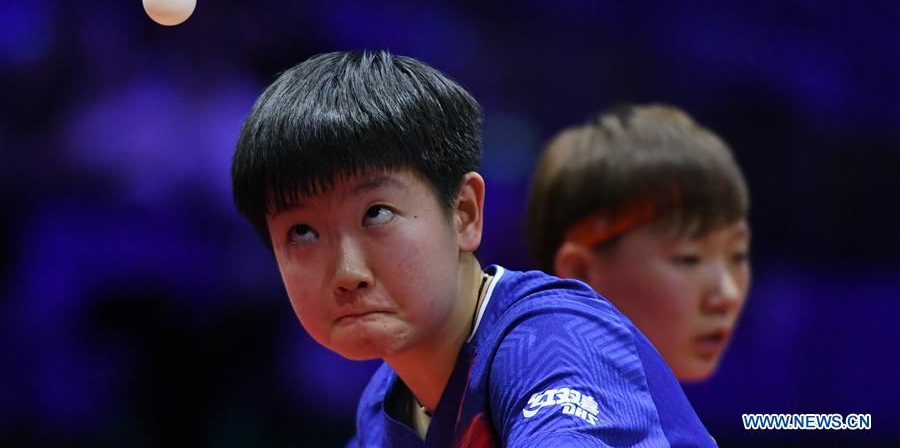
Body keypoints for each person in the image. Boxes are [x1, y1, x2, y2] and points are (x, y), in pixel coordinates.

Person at [231, 52, 715, 446]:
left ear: (464, 213)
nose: (347, 272)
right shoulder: (384, 412)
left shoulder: (553, 341)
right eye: (302, 232)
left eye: (376, 213)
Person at [526, 104, 751, 383]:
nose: (727, 296)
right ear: (581, 274)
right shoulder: (559, 422)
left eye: (738, 256)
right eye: (689, 258)